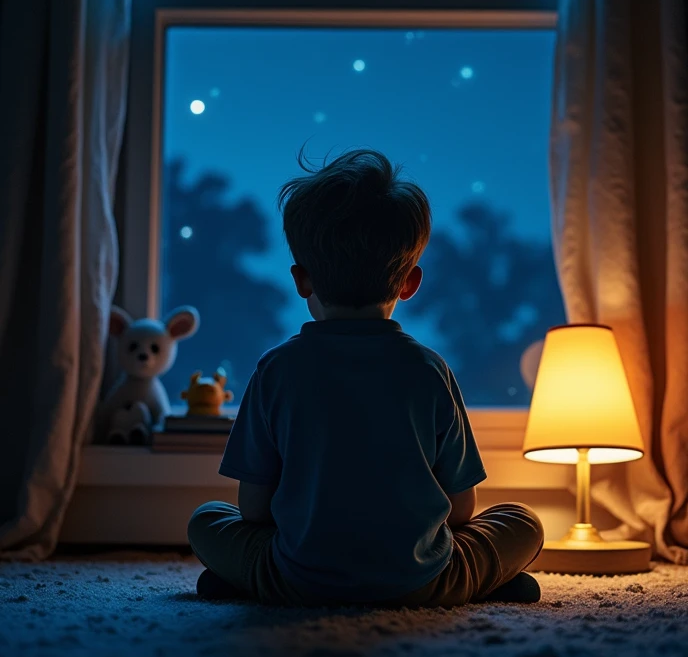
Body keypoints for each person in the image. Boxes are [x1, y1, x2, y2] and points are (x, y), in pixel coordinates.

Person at [188, 149, 544, 607]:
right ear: (409, 283)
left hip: (297, 581)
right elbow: (461, 510)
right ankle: (484, 584)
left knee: (207, 520)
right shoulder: (429, 370)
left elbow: (253, 510)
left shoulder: (276, 370)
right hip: (423, 583)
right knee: (522, 522)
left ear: (302, 280)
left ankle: (243, 583)